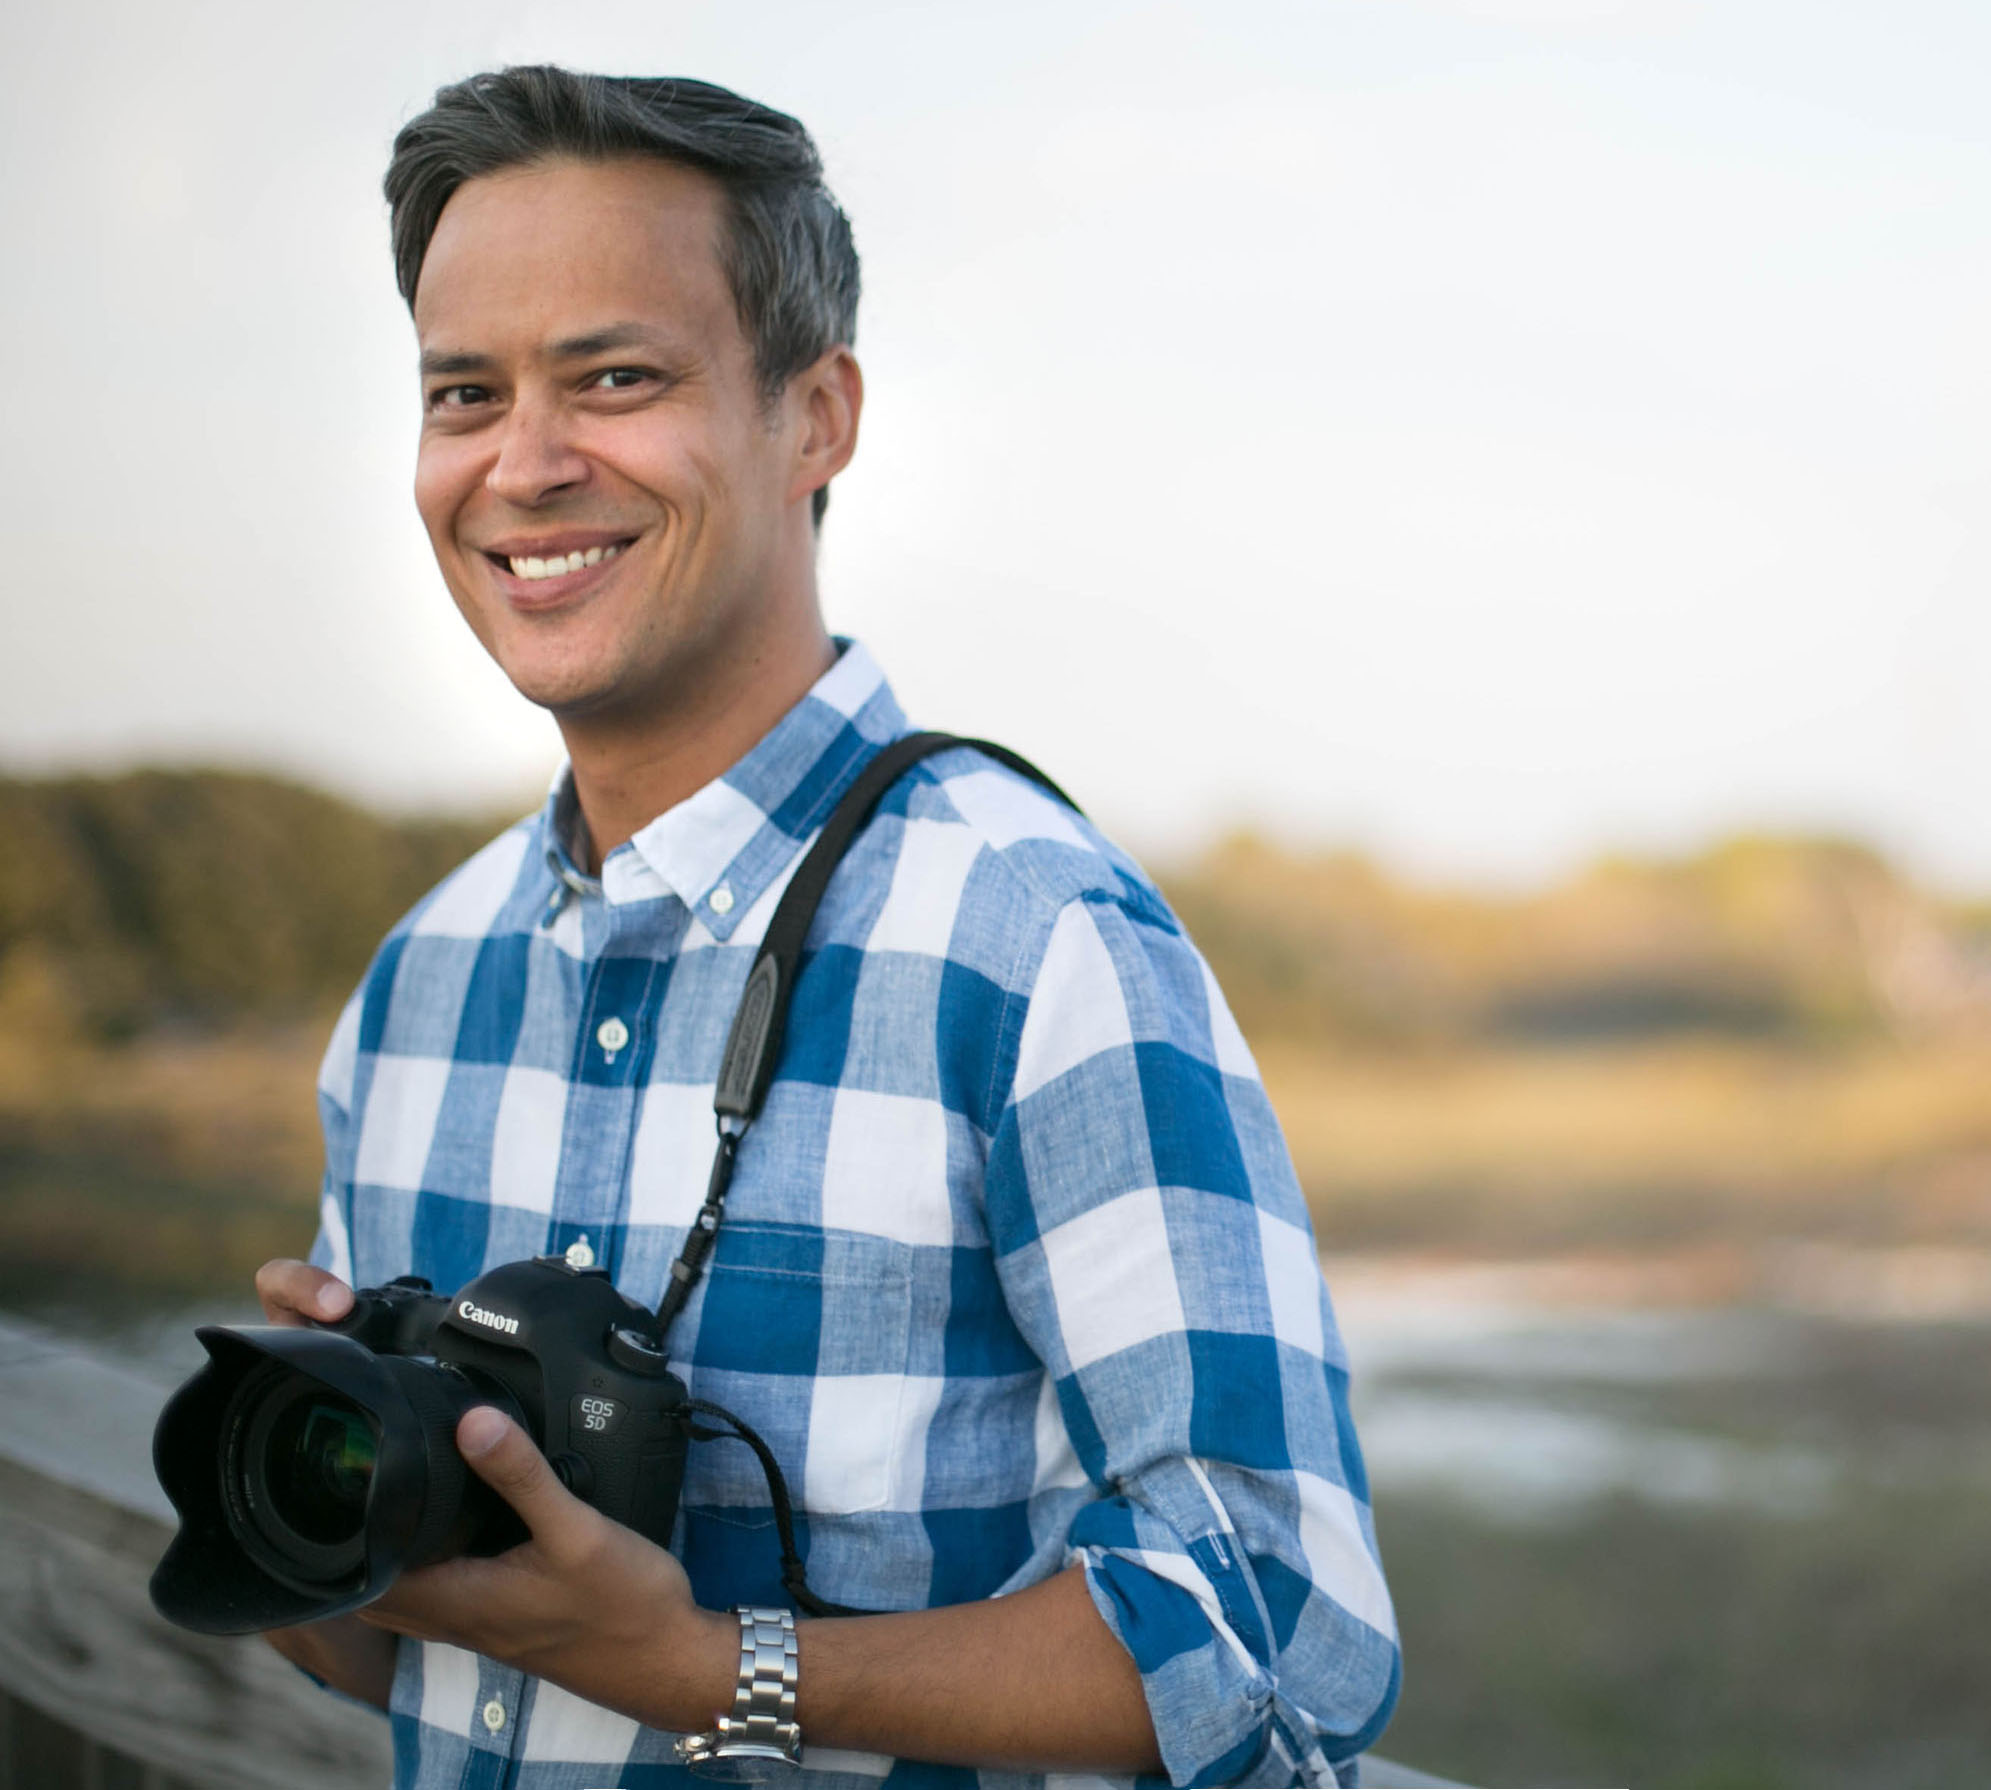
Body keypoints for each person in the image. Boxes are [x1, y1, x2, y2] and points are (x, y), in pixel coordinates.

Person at [251, 65, 1400, 1788]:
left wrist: (716, 1668)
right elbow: (375, 1652)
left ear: (818, 414)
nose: (527, 464)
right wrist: (315, 1478)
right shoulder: (422, 979)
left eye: (616, 378)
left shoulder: (1037, 943)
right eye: (464, 394)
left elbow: (1282, 1627)